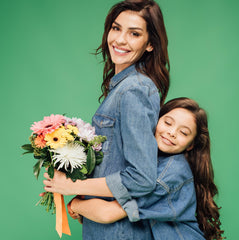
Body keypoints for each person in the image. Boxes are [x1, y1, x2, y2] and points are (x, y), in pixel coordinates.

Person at [43, 0, 170, 239]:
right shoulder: (122, 87)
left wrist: (73, 188)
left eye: (134, 33)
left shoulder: (135, 90)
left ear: (150, 44)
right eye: (116, 28)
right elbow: (115, 162)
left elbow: (142, 178)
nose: (120, 40)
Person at [67, 97, 225, 240]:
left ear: (191, 145)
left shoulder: (170, 172)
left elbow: (108, 213)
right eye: (168, 123)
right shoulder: (148, 162)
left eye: (183, 132)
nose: (171, 132)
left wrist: (76, 204)